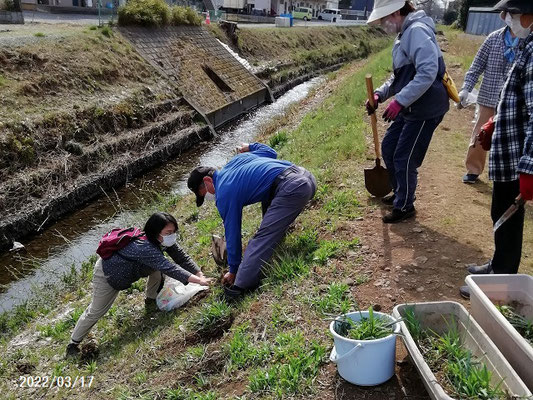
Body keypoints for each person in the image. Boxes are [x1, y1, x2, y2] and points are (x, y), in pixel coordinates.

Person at [460, 0, 533, 299]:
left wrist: (529, 167)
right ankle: (496, 266)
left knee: (508, 217)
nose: (509, 20)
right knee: (500, 212)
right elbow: (517, 98)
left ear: (530, 16)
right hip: (509, 149)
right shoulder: (526, 45)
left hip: (519, 157)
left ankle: (500, 285)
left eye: (514, 15)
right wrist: (496, 123)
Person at [66, 212, 211, 357]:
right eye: (168, 232)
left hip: (135, 269)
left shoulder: (161, 240)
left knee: (157, 269)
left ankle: (151, 301)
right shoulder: (144, 247)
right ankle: (73, 344)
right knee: (97, 310)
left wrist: (199, 274)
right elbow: (170, 268)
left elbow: (181, 257)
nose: (172, 236)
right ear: (156, 232)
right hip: (108, 273)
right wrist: (199, 281)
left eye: (173, 232)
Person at [187, 142, 316, 301]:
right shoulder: (236, 161)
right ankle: (280, 232)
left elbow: (233, 233)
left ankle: (240, 287)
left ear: (207, 181)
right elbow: (271, 152)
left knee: (261, 238)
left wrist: (234, 270)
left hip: (294, 189)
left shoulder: (223, 193)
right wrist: (250, 146)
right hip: (305, 176)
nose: (206, 197)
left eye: (202, 193)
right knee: (267, 194)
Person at [365, 0, 449, 223]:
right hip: (411, 105)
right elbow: (399, 76)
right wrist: (380, 95)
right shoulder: (404, 35)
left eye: (383, 19)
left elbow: (428, 71)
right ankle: (400, 191)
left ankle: (405, 206)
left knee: (404, 157)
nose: (383, 25)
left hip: (425, 107)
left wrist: (399, 101)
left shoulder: (417, 31)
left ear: (395, 13)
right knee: (389, 147)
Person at [459, 16, 521, 184]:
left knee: (511, 139)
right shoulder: (493, 37)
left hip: (514, 101)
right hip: (488, 96)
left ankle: (508, 178)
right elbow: (477, 65)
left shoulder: (528, 42)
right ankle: (473, 169)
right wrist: (466, 88)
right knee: (481, 133)